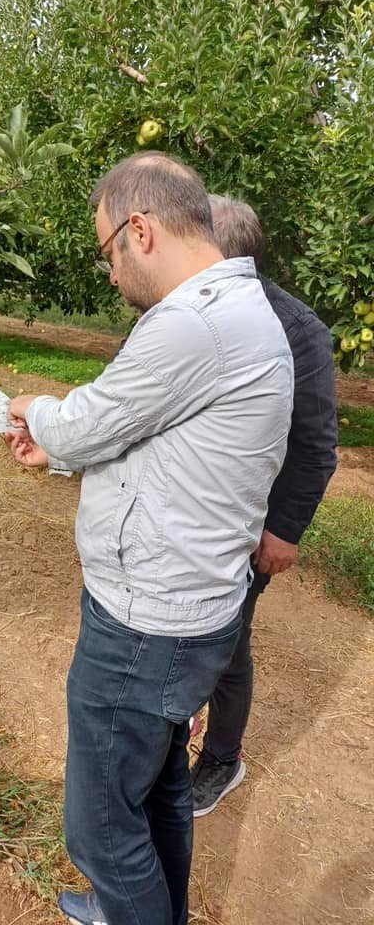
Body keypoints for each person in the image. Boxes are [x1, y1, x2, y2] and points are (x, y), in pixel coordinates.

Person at [4, 151, 294, 925]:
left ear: (140, 229)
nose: (108, 273)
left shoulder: (192, 323)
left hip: (144, 623)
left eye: (106, 252)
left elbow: (95, 419)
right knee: (160, 787)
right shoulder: (242, 309)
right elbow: (154, 444)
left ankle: (132, 910)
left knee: (99, 826)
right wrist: (60, 448)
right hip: (189, 609)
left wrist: (34, 408)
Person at [189, 196, 338, 817]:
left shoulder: (298, 332)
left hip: (248, 524)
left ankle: (223, 757)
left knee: (227, 637)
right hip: (193, 509)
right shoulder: (184, 310)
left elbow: (315, 443)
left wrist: (283, 531)